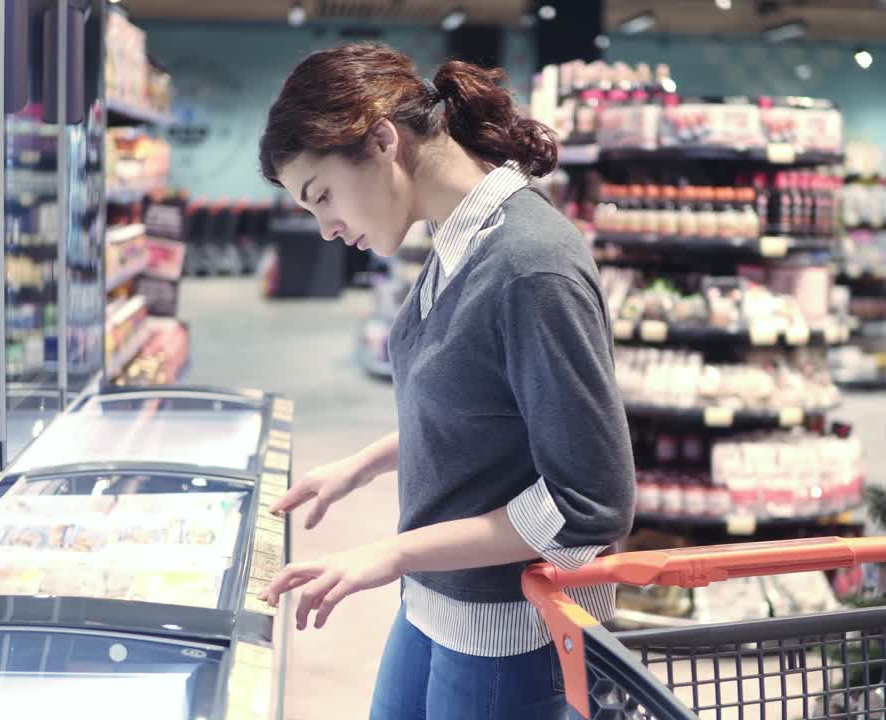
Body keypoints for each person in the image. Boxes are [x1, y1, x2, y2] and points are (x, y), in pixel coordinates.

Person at [255, 43, 635, 720]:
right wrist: (361, 466)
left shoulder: (529, 264)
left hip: (515, 631)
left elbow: (591, 503)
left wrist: (389, 553)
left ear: (381, 141)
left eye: (322, 197)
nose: (325, 228)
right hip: (442, 601)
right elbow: (482, 403)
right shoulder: (458, 236)